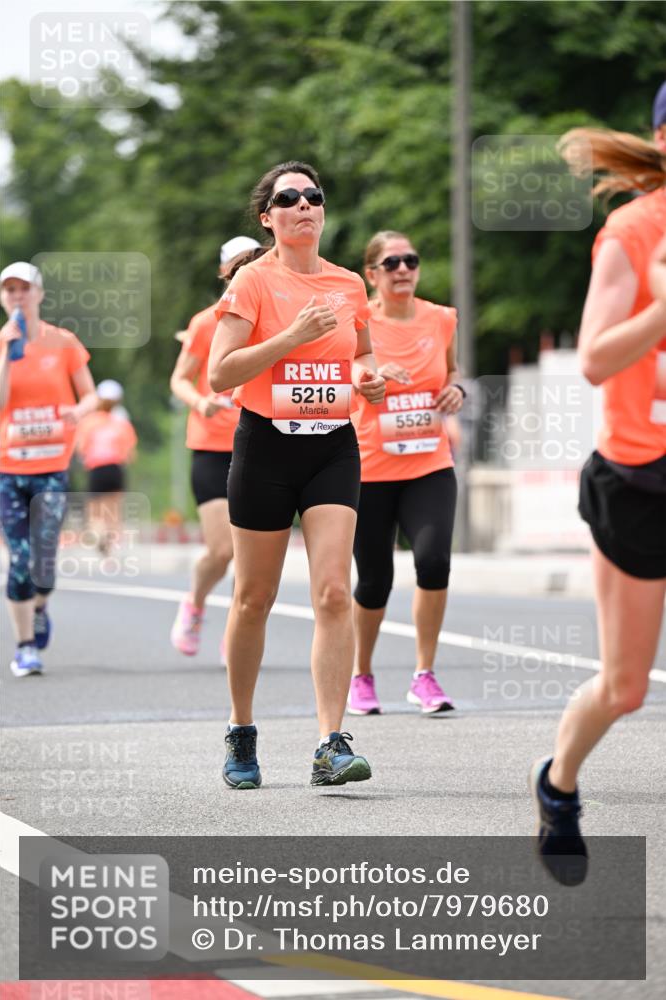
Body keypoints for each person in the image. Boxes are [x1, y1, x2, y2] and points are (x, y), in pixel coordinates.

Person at [208, 161, 385, 789]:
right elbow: (220, 373)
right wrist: (290, 336)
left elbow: (362, 354)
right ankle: (241, 728)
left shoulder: (349, 286)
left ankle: (330, 743)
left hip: (333, 445)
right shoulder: (254, 282)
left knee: (335, 591)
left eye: (314, 196)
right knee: (254, 597)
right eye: (289, 198)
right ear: (268, 217)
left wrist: (369, 379)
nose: (304, 205)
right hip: (265, 448)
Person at [530, 114, 666, 885]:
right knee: (625, 688)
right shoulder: (632, 232)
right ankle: (558, 784)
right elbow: (593, 359)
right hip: (639, 479)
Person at [348, 232, 463, 716]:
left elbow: (453, 372)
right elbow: (345, 370)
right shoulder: (360, 321)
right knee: (374, 581)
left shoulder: (441, 319)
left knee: (434, 561)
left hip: (429, 464)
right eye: (391, 262)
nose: (403, 269)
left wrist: (457, 391)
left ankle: (424, 675)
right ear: (372, 273)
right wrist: (369, 378)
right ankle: (361, 674)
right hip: (371, 467)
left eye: (410, 260)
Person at [0, 262, 96, 676]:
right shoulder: (2, 343)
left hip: (53, 467)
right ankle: (24, 647)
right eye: (10, 291)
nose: (18, 296)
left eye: (24, 289)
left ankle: (40, 605)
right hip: (8, 468)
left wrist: (78, 411)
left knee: (43, 559)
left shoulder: (64, 342)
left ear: (39, 293)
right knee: (18, 557)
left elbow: (91, 395)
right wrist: (7, 352)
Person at [169, 237, 260, 659]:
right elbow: (180, 379)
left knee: (250, 556)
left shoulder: (271, 314)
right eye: (237, 264)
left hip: (258, 443)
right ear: (225, 271)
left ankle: (235, 632)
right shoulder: (207, 322)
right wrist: (200, 401)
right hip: (210, 447)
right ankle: (195, 602)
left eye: (252, 262)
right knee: (222, 549)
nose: (245, 269)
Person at [76, 379, 137, 554]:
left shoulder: (89, 422)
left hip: (96, 468)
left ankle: (99, 533)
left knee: (94, 511)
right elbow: (130, 454)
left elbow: (81, 448)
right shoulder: (122, 423)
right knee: (113, 510)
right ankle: (109, 544)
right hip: (116, 469)